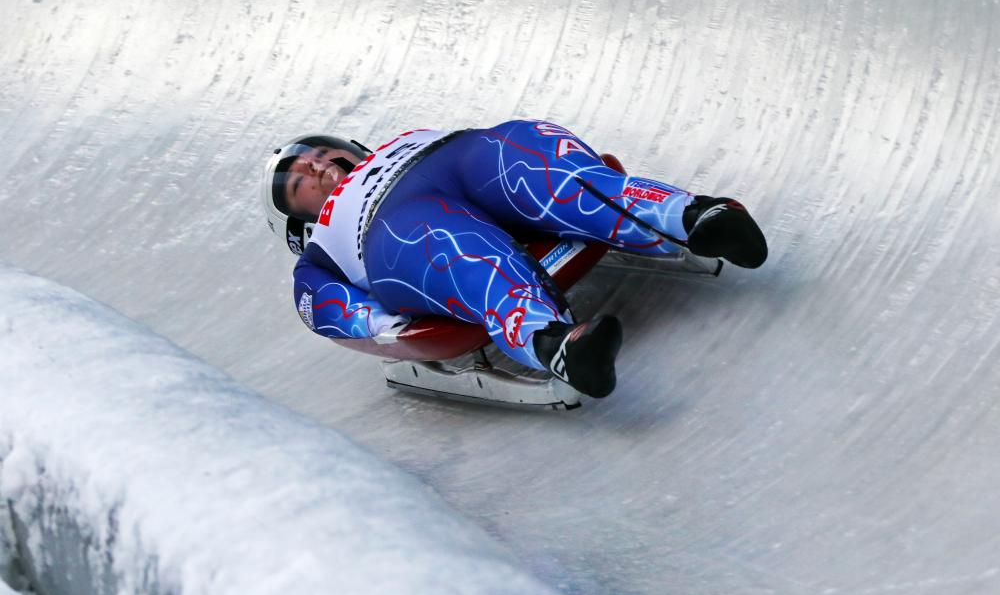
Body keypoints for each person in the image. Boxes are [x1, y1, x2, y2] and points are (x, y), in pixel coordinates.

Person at [262, 120, 767, 398]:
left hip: (459, 155)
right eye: (301, 179)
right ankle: (554, 343)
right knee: (450, 246)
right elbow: (327, 308)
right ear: (296, 223)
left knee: (533, 165)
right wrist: (392, 327)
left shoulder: (402, 138)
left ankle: (690, 218)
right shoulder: (322, 249)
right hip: (388, 226)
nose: (316, 163)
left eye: (320, 154)